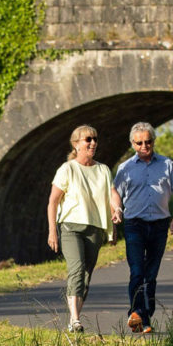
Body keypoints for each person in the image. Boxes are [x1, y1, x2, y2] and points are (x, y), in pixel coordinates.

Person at [113, 121, 173, 334]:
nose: (144, 146)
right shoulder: (125, 168)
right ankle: (138, 314)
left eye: (148, 142)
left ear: (153, 141)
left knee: (151, 274)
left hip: (159, 225)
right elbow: (115, 191)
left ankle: (143, 317)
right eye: (139, 143)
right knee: (137, 271)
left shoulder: (167, 165)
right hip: (134, 224)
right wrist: (117, 209)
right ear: (132, 144)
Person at [47, 124, 119, 333]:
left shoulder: (103, 169)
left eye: (95, 139)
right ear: (76, 144)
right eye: (88, 139)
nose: (93, 143)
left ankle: (72, 320)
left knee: (86, 277)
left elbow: (112, 195)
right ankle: (76, 319)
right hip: (71, 227)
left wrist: (117, 211)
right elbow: (53, 202)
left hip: (95, 228)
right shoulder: (67, 169)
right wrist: (52, 231)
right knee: (76, 269)